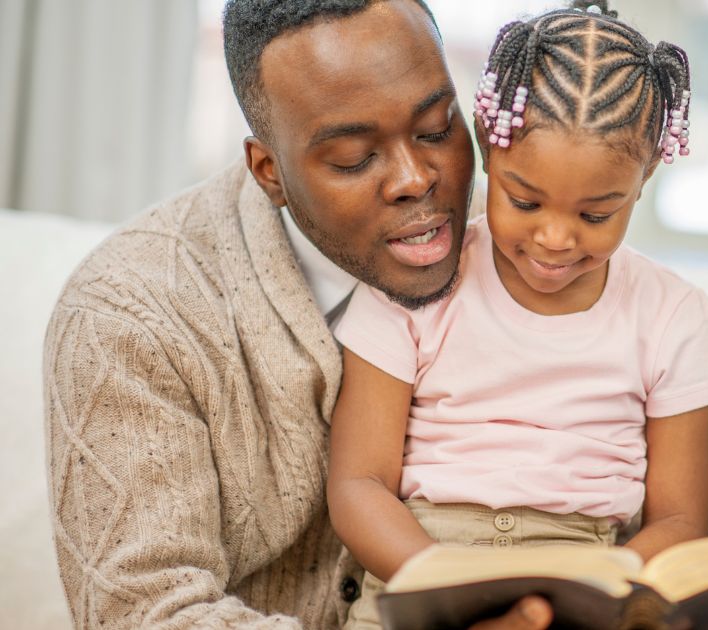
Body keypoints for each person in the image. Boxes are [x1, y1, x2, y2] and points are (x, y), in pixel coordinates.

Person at [42, 0, 548, 627]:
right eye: (354, 159)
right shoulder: (132, 315)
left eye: (437, 129)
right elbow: (141, 611)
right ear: (269, 171)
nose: (417, 179)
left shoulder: (530, 250)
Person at [327, 2, 708, 626]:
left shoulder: (675, 314)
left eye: (596, 215)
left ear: (645, 176)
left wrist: (586, 594)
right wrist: (450, 586)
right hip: (420, 567)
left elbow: (679, 521)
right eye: (525, 200)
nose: (556, 239)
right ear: (489, 146)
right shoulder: (417, 280)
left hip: (588, 581)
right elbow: (358, 487)